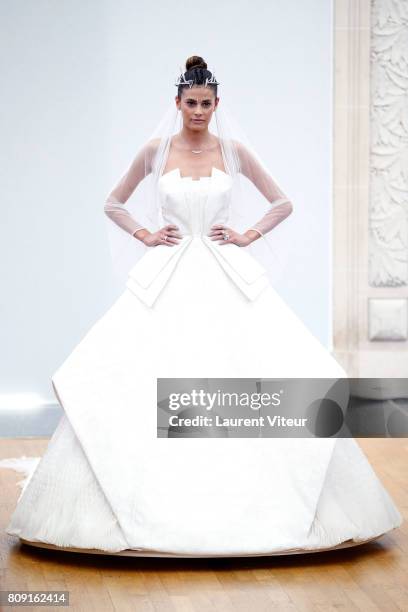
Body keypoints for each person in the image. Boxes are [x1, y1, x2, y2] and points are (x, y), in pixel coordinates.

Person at [3, 56, 402, 557]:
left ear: (217, 105)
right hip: (168, 272)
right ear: (177, 104)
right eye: (190, 103)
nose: (198, 111)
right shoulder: (155, 150)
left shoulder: (233, 151)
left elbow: (281, 201)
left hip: (221, 268)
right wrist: (146, 234)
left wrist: (246, 234)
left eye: (206, 104)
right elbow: (113, 202)